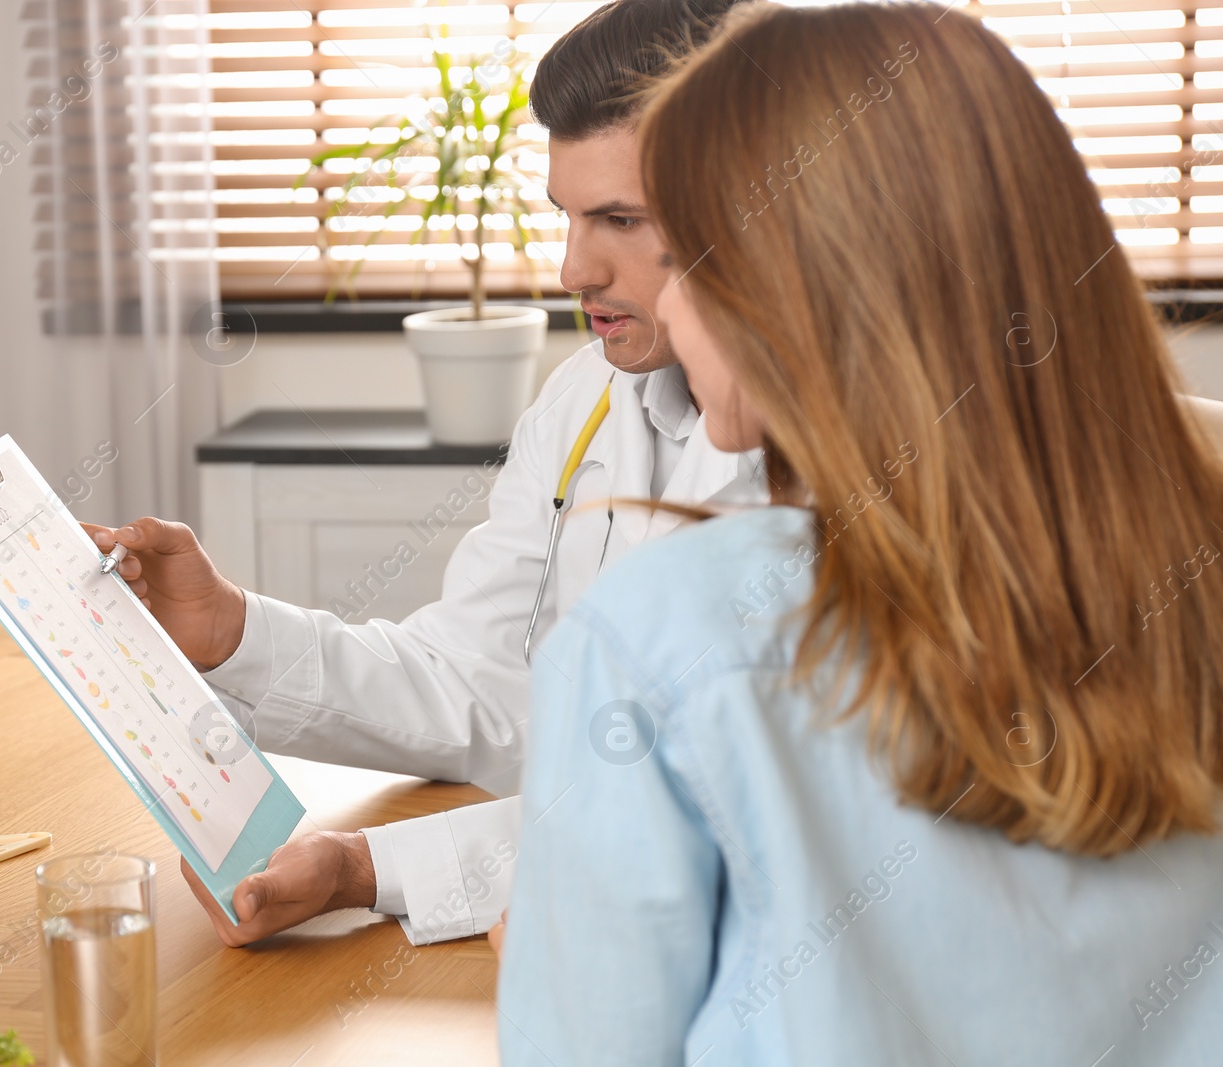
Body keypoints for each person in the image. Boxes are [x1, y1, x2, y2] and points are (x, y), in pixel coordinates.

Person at [497, 3, 1223, 1063]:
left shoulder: (664, 642)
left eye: (686, 257)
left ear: (794, 286)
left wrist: (561, 959)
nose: (661, 300)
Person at [84, 0, 762, 947]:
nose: (573, 269)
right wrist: (231, 631)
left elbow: (701, 809)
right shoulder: (587, 400)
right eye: (567, 216)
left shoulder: (845, 463)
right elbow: (478, 680)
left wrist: (370, 866)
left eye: (619, 218)